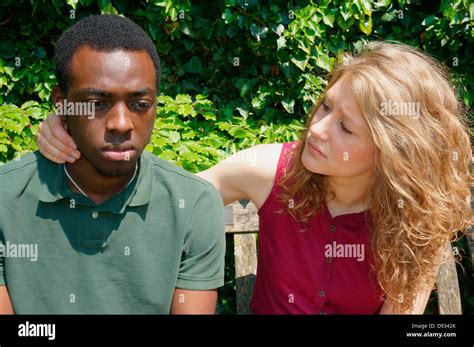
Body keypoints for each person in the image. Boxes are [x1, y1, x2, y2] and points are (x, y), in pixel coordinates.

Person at [36, 42, 472, 314]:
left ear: (393, 153)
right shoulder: (269, 171)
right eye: (325, 106)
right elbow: (158, 198)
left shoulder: (416, 222)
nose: (317, 129)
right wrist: (75, 130)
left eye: (346, 127)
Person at [0, 15, 225, 314]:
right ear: (62, 104)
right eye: (96, 103)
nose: (121, 124)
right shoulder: (6, 197)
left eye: (140, 104)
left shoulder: (193, 203)